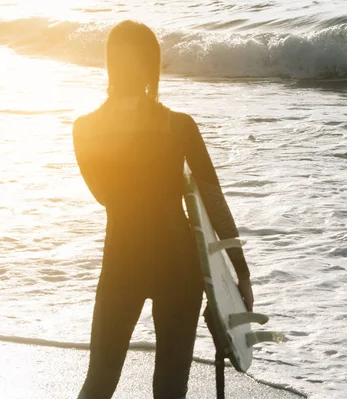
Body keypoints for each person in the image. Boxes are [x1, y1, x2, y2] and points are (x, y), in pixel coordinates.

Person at [73, 20, 254, 399]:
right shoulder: (178, 127)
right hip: (178, 266)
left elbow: (105, 196)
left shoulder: (84, 130)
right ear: (151, 66)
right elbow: (213, 202)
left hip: (121, 262)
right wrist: (240, 274)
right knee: (170, 388)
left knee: (99, 381)